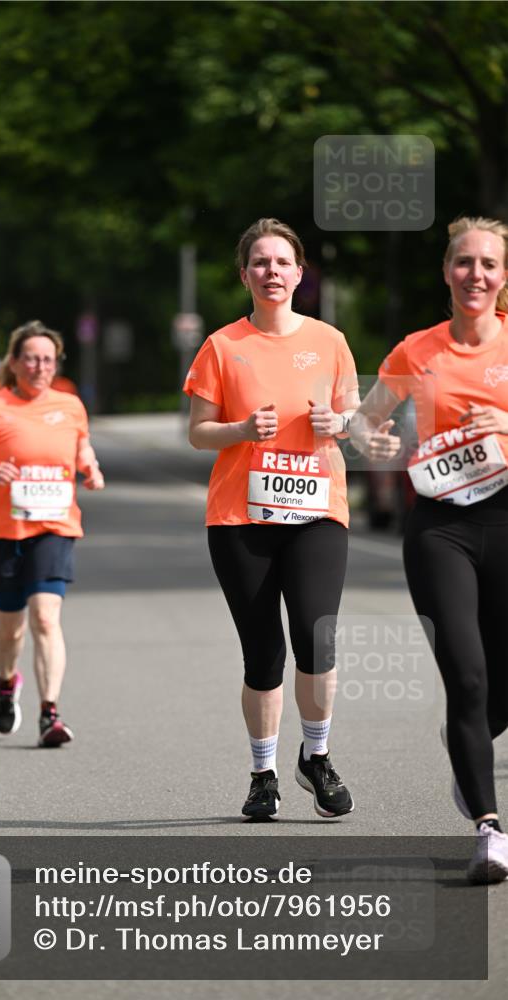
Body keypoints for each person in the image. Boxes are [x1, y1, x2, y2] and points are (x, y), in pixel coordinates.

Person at [183, 218, 360, 820]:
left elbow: (352, 413)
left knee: (316, 636)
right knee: (263, 652)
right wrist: (238, 429)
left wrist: (338, 424)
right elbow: (197, 432)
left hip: (316, 509)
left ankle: (317, 756)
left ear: (299, 272)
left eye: (282, 262)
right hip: (241, 515)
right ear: (244, 275)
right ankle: (263, 774)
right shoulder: (222, 346)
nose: (272, 272)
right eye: (260, 262)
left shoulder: (330, 340)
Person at [350, 216, 508, 884]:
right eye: (463, 263)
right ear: (446, 273)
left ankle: (463, 737)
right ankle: (489, 830)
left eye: (488, 265)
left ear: (503, 278)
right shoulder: (417, 349)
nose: (475, 275)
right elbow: (364, 419)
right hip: (440, 523)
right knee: (466, 677)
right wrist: (372, 442)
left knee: (490, 687)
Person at [0, 320, 104, 747]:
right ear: (15, 363)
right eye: (32, 358)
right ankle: (6, 681)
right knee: (10, 628)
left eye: (48, 359)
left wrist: (89, 468)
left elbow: (82, 447)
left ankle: (49, 713)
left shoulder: (71, 405)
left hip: (55, 525)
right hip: (1, 529)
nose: (40, 366)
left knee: (44, 616)